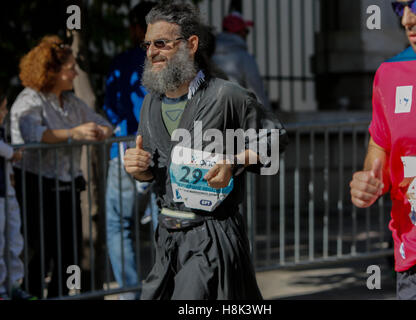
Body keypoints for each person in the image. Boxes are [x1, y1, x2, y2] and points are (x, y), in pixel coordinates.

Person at [123, 2, 288, 300]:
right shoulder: (151, 103)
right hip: (166, 239)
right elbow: (153, 166)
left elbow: (274, 139)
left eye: (161, 43)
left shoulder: (227, 95)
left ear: (191, 44)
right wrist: (138, 168)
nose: (150, 52)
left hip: (212, 236)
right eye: (147, 44)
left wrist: (234, 162)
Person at [350, 0, 416, 300]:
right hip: (412, 264)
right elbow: (380, 143)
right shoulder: (390, 74)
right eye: (398, 7)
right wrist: (370, 177)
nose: (406, 19)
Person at [10, 35, 113, 298]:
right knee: (38, 253)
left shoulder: (71, 101)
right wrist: (74, 133)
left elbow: (104, 124)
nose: (75, 73)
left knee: (69, 253)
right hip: (37, 187)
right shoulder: (29, 99)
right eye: (70, 69)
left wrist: (98, 131)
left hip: (68, 188)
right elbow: (33, 132)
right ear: (52, 70)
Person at [103, 1, 159, 300]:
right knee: (167, 224)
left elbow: (111, 111)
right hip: (163, 154)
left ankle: (130, 296)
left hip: (124, 153)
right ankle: (169, 290)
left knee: (119, 226)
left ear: (138, 28)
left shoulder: (122, 63)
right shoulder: (169, 61)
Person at [0, 90, 35, 300]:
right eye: (2, 108)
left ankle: (13, 285)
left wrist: (11, 170)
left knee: (13, 240)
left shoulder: (2, 129)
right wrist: (12, 152)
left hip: (6, 192)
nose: (4, 112)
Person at [212, 11, 271, 111]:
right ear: (239, 31)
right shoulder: (244, 57)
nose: (246, 34)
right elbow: (256, 90)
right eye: (246, 31)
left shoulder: (210, 55)